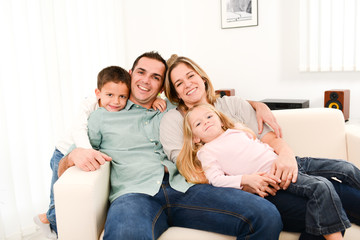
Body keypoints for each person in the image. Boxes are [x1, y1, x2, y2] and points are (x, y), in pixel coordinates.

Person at [58, 51, 284, 239]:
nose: (147, 80)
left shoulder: (173, 110)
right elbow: (69, 160)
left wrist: (257, 105)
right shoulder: (102, 116)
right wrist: (73, 156)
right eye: (141, 72)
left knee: (265, 215)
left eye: (156, 77)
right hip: (134, 195)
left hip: (185, 188)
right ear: (130, 74)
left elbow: (211, 102)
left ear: (162, 87)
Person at [160, 54, 360, 239]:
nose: (188, 84)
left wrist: (286, 156)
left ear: (202, 77)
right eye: (179, 83)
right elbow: (191, 169)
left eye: (190, 76)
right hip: (257, 187)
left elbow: (268, 139)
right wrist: (245, 181)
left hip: (278, 168)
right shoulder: (175, 120)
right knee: (328, 203)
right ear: (175, 93)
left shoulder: (233, 106)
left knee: (344, 193)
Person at [179, 103, 360, 239]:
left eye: (209, 117)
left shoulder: (236, 131)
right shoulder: (207, 152)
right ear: (195, 138)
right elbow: (216, 180)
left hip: (292, 162)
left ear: (219, 118)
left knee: (346, 168)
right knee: (322, 187)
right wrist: (245, 179)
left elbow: (260, 147)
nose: (206, 123)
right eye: (198, 123)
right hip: (277, 176)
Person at [34, 65, 166, 239]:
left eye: (122, 97)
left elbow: (143, 97)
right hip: (65, 149)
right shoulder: (89, 104)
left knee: (57, 204)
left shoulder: (118, 107)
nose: (116, 101)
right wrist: (87, 152)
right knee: (57, 201)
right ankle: (52, 226)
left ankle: (48, 220)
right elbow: (79, 129)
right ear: (98, 93)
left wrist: (157, 97)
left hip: (82, 145)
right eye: (110, 95)